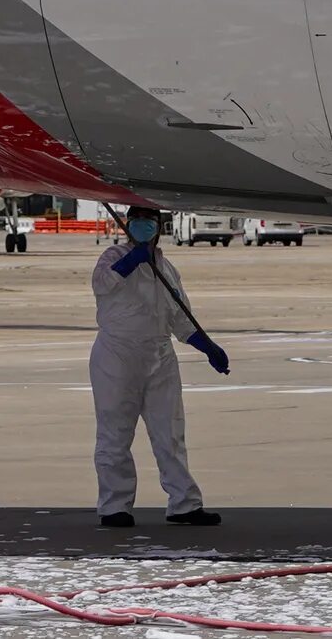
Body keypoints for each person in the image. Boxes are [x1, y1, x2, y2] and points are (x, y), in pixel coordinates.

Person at [90, 205, 227, 529]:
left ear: (159, 226)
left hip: (160, 355)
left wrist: (207, 347)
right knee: (115, 433)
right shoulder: (111, 256)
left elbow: (180, 319)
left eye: (148, 222)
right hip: (117, 355)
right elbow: (101, 285)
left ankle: (184, 503)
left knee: (170, 433)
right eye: (135, 221)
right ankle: (114, 505)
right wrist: (130, 261)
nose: (142, 227)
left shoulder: (166, 269)